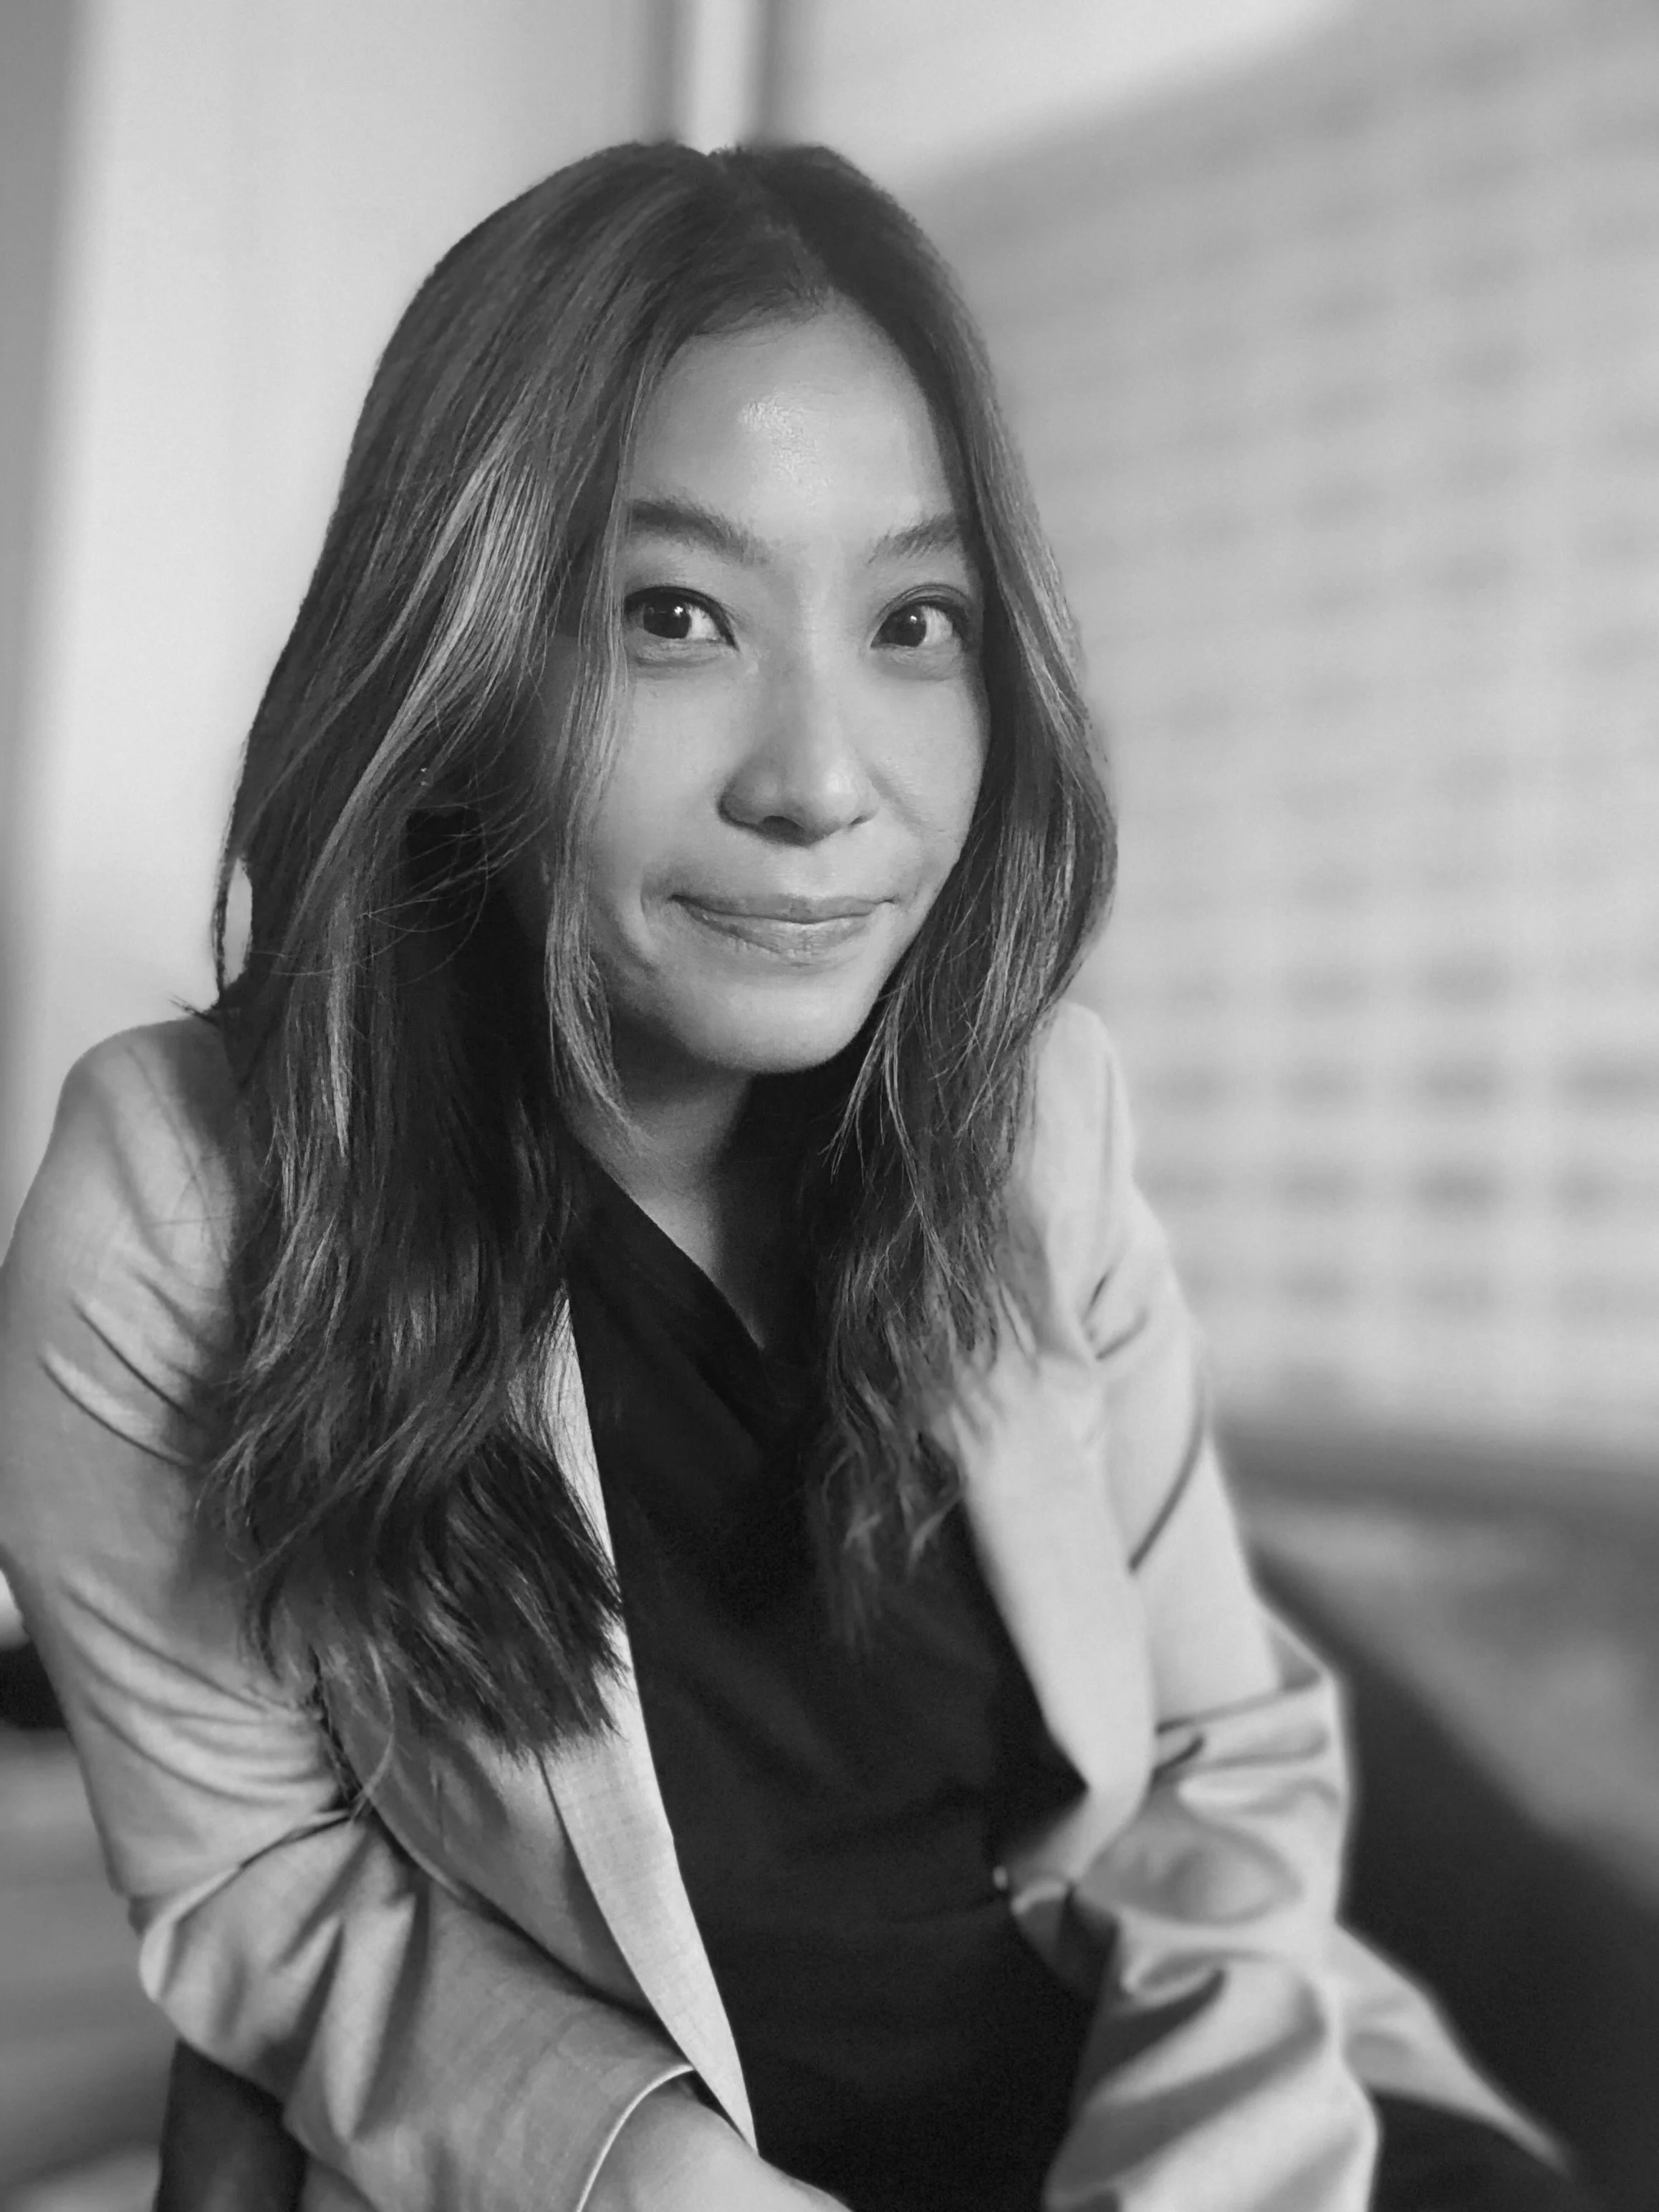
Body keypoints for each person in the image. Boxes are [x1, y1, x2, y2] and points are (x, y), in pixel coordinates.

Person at [0, 141, 1594, 2212]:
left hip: (1190, 2123)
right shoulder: (189, 1203)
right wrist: (647, 2180)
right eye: (675, 617)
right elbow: (263, 1881)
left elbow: (1219, 1758)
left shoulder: (1029, 1118)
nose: (824, 782)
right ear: (456, 655)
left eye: (914, 621)